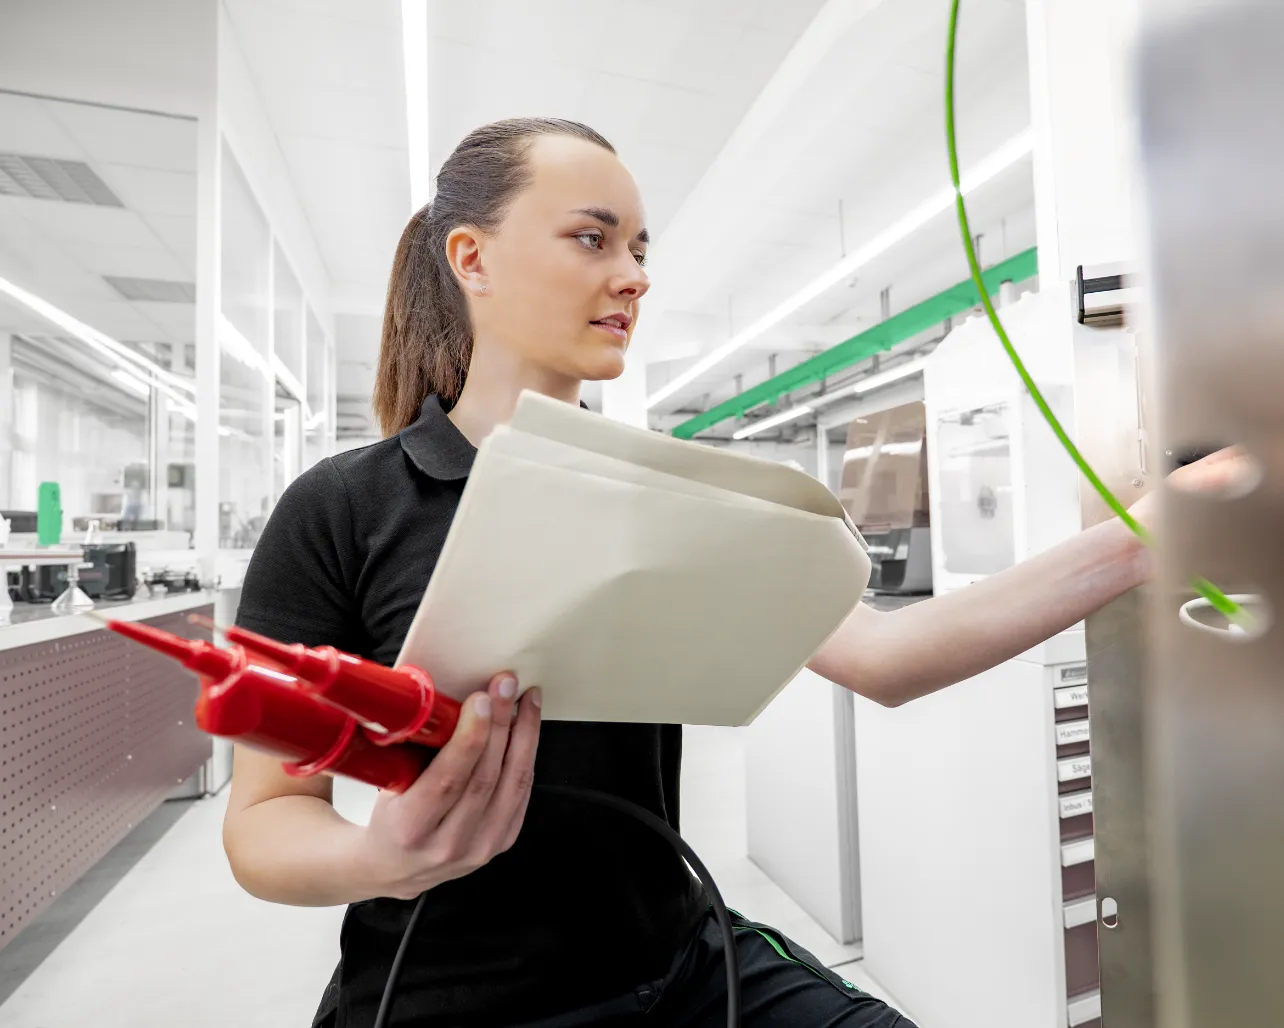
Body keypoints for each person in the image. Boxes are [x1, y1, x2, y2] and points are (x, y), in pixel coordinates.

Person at [224, 118, 1246, 1028]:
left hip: (681, 964)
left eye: (639, 248)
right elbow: (265, 822)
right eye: (593, 237)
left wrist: (1148, 531)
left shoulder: (662, 490)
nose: (634, 274)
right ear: (471, 257)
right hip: (455, 996)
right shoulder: (343, 509)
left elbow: (885, 657)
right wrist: (385, 860)